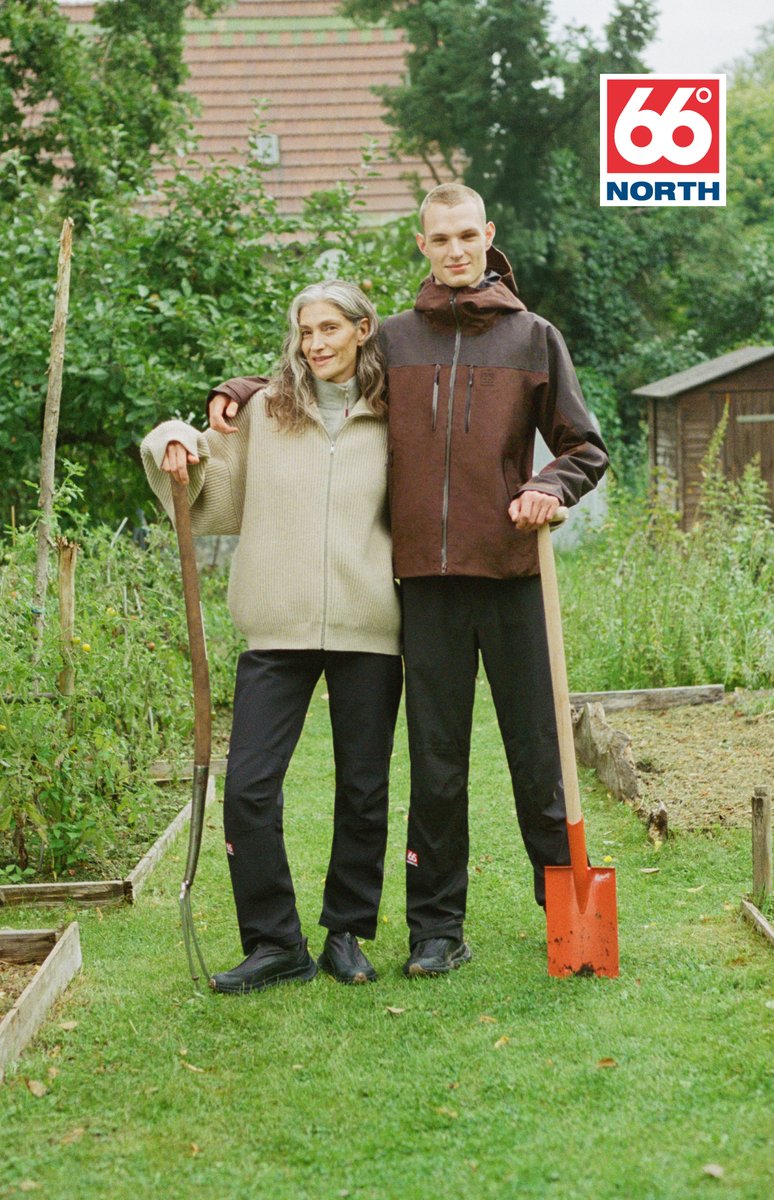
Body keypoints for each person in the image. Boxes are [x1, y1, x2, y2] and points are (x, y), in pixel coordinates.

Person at [206, 184, 608, 979]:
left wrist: (547, 489)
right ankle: (435, 928)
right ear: (421, 245)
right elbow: (314, 370)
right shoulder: (392, 339)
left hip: (511, 572)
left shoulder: (535, 339)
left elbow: (584, 447)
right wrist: (239, 390)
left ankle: (565, 909)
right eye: (440, 239)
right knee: (436, 760)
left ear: (488, 236)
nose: (455, 250)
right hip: (421, 583)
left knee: (538, 753)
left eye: (467, 235)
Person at [141, 281, 402, 993]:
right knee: (250, 789)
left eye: (328, 328)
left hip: (369, 623)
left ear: (361, 329)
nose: (315, 342)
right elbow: (214, 501)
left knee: (364, 787)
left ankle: (345, 933)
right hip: (274, 623)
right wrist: (172, 444)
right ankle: (274, 942)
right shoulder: (263, 410)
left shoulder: (396, 412)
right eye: (303, 330)